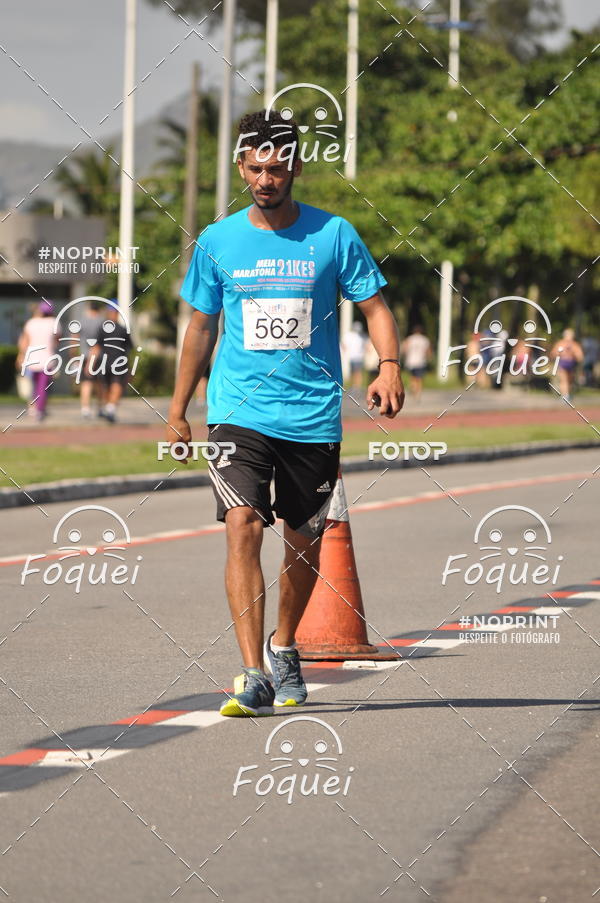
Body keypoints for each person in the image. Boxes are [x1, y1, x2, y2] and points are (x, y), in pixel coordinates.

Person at [166, 109, 404, 718]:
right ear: (241, 167)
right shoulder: (218, 241)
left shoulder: (334, 234)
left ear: (296, 167)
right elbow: (200, 327)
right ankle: (253, 675)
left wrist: (389, 365)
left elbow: (375, 308)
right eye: (255, 169)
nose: (265, 180)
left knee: (303, 544)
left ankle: (284, 644)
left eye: (276, 169)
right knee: (242, 523)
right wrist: (178, 410)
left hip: (312, 414)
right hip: (236, 411)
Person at [16, 299, 57, 421]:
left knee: (34, 385)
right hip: (47, 360)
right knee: (43, 386)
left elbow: (24, 341)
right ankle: (39, 409)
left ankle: (34, 407)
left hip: (32, 359)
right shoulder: (54, 322)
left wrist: (20, 356)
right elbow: (56, 341)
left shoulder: (31, 323)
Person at [98, 302, 132, 423]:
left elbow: (96, 347)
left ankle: (109, 408)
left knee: (113, 385)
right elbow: (129, 348)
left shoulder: (105, 329)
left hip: (113, 362)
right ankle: (109, 407)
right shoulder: (122, 329)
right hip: (113, 362)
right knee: (111, 385)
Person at [78, 300, 103, 418]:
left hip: (85, 355)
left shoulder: (82, 321)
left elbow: (74, 337)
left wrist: (73, 354)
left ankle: (85, 408)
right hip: (101, 356)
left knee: (86, 382)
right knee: (100, 383)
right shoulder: (102, 322)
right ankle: (100, 407)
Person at [551, 328, 583, 401]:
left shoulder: (572, 344)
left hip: (569, 363)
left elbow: (580, 356)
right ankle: (566, 395)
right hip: (565, 362)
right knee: (565, 380)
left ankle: (566, 394)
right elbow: (554, 353)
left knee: (568, 380)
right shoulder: (564, 344)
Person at [400, 324, 431, 400]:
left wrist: (404, 356)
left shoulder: (410, 339)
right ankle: (418, 392)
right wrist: (428, 358)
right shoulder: (424, 339)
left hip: (411, 361)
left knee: (412, 377)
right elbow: (428, 351)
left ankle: (413, 388)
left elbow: (404, 349)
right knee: (419, 378)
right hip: (421, 361)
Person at [341, 321, 367, 390]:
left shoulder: (361, 336)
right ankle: (355, 385)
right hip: (352, 357)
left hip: (358, 357)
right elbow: (344, 345)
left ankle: (357, 386)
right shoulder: (350, 335)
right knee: (354, 372)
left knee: (357, 372)